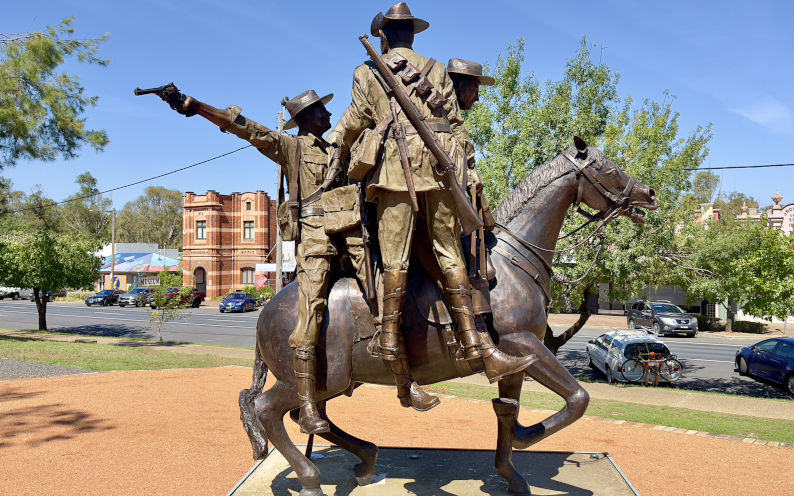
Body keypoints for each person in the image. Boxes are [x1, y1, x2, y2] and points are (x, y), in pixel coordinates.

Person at [328, 2, 534, 412]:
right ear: (414, 35)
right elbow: (457, 126)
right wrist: (467, 170)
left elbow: (357, 118)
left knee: (395, 260)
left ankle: (388, 339)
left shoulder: (366, 71)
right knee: (449, 252)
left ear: (385, 34)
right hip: (438, 170)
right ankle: (477, 343)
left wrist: (335, 148)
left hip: (393, 173)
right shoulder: (437, 69)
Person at [162, 88, 337, 435]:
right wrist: (198, 108)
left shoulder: (334, 151)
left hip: (347, 233)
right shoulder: (292, 147)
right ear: (306, 119)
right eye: (322, 111)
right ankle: (306, 402)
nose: (329, 116)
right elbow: (247, 128)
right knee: (313, 304)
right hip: (316, 235)